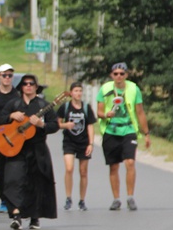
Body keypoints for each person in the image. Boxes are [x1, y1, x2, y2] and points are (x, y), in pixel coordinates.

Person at [0, 74, 59, 230]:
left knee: (36, 182)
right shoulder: (14, 104)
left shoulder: (44, 106)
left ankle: (35, 217)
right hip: (16, 149)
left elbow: (54, 125)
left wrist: (41, 125)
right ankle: (16, 215)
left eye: (31, 84)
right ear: (21, 87)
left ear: (36, 87)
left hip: (37, 149)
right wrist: (11, 115)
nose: (28, 86)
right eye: (25, 84)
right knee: (13, 180)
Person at [96, 62, 151, 211]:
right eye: (116, 74)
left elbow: (140, 112)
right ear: (111, 75)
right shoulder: (105, 89)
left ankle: (130, 197)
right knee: (114, 166)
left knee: (130, 163)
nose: (119, 76)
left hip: (128, 130)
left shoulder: (133, 88)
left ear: (126, 75)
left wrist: (146, 133)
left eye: (122, 73)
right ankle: (116, 199)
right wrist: (106, 114)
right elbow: (99, 111)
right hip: (111, 131)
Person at [57, 82, 96, 211]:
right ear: (71, 92)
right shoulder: (65, 107)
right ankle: (68, 197)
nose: (78, 93)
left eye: (80, 91)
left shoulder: (86, 107)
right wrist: (65, 125)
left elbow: (90, 125)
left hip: (83, 142)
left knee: (83, 171)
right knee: (69, 168)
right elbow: (57, 123)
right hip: (69, 141)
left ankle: (82, 200)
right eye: (76, 91)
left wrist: (91, 143)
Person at [0, 63, 19, 213]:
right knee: (0, 171)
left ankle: (13, 199)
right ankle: (3, 200)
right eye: (4, 75)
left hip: (14, 137)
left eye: (10, 75)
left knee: (14, 170)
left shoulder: (18, 94)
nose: (7, 78)